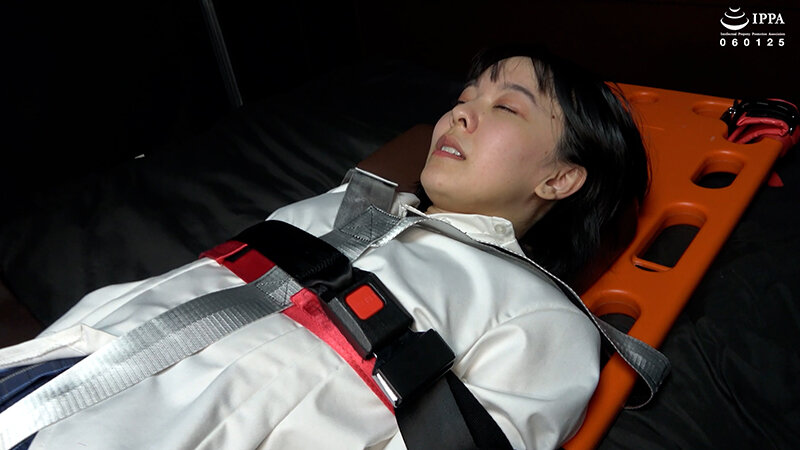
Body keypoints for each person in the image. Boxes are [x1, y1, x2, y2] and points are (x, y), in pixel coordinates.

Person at [0, 44, 649, 449]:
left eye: (507, 108)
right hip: (57, 369)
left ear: (559, 179)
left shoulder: (544, 316)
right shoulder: (344, 209)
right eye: (463, 97)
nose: (459, 113)